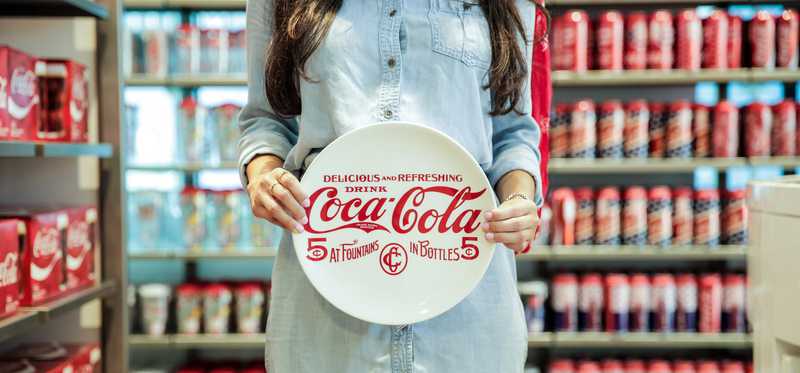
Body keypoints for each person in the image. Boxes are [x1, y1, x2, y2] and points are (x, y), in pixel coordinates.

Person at [238, 0, 546, 371]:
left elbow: (513, 133)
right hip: (329, 287)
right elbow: (265, 119)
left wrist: (518, 198)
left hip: (467, 300)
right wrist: (263, 175)